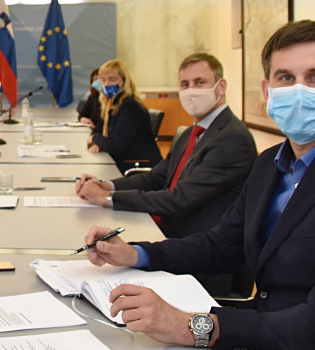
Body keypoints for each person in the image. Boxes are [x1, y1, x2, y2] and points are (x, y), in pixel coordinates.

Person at [82, 21, 315, 350]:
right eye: (286, 78)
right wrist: (136, 254)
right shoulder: (271, 163)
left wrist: (190, 326)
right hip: (266, 342)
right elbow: (224, 244)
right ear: (267, 90)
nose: (299, 90)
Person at [75, 53, 257, 295]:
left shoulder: (232, 138)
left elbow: (179, 199)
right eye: (185, 84)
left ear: (220, 86)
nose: (191, 91)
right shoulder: (193, 132)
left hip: (200, 262)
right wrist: (106, 186)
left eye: (200, 82)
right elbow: (156, 178)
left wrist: (106, 200)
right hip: (168, 237)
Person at [85, 59, 161, 173]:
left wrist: (96, 139)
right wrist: (98, 140)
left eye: (112, 79)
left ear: (124, 82)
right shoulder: (109, 103)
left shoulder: (130, 106)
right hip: (123, 161)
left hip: (138, 166)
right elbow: (97, 130)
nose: (106, 84)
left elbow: (115, 147)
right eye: (103, 80)